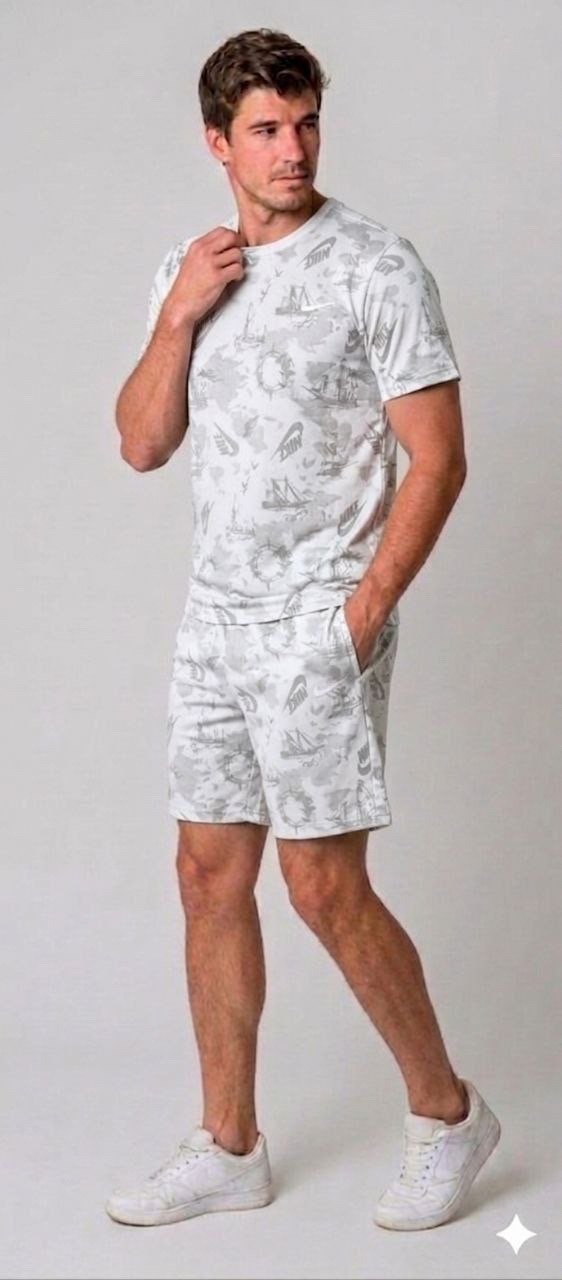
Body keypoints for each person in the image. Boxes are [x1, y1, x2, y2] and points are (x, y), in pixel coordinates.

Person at [107, 27, 501, 1233]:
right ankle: (229, 1144)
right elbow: (141, 442)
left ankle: (446, 1113)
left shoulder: (375, 265)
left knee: (323, 885)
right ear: (217, 143)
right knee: (205, 874)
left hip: (315, 620)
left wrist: (361, 609)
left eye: (306, 122)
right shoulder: (193, 267)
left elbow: (439, 458)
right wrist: (178, 314)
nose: (293, 149)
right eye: (266, 130)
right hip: (214, 619)